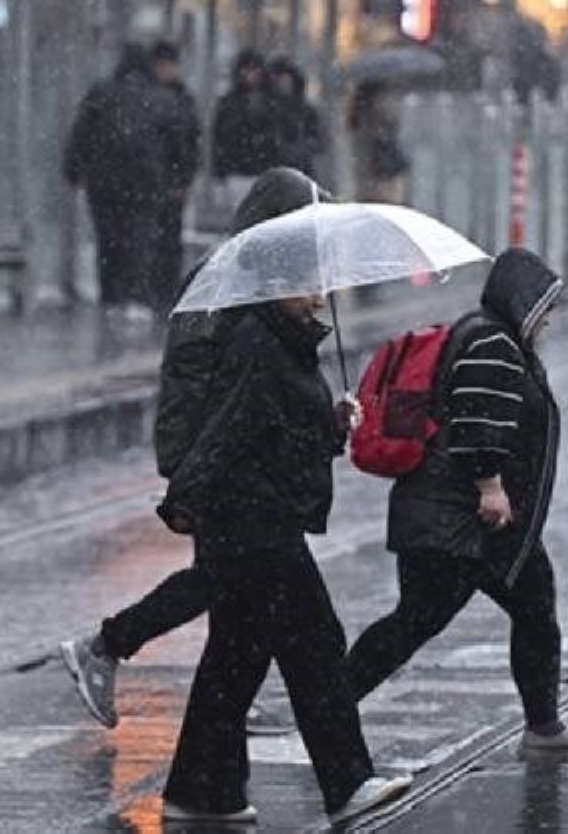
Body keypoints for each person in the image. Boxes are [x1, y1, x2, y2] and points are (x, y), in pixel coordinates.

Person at [150, 231, 411, 825]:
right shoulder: (260, 343)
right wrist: (184, 495)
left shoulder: (287, 342)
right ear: (278, 287)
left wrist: (331, 421)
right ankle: (348, 781)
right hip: (253, 523)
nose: (321, 294)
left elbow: (283, 432)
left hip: (256, 519)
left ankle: (199, 790)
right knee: (316, 646)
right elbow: (232, 427)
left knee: (236, 657)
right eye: (309, 282)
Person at [59, 167, 331, 734]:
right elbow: (199, 380)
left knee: (231, 586)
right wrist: (188, 466)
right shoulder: (229, 282)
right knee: (231, 582)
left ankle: (213, 695)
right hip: (220, 463)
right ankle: (107, 646)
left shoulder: (253, 280)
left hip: (230, 461)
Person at [342, 248, 568, 757]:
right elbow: (478, 422)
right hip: (462, 519)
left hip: (471, 521)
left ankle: (543, 727)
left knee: (527, 607)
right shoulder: (492, 344)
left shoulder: (490, 337)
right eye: (544, 305)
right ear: (523, 301)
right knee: (419, 620)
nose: (548, 318)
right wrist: (490, 486)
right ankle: (330, 707)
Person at [63, 43, 174, 320]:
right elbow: (176, 141)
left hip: (102, 183)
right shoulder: (159, 97)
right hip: (144, 184)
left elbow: (81, 134)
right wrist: (174, 177)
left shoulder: (101, 93)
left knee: (108, 239)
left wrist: (73, 170)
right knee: (138, 239)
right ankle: (135, 297)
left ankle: (110, 296)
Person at [150, 40, 202, 314]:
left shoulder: (180, 99)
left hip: (170, 181)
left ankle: (166, 291)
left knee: (170, 238)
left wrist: (183, 178)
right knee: (157, 238)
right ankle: (158, 291)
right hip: (155, 181)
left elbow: (190, 142)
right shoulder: (163, 98)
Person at [211, 51, 284, 211]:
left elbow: (280, 136)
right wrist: (219, 174)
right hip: (238, 170)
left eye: (255, 70)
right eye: (247, 70)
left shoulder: (273, 102)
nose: (251, 75)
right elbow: (219, 139)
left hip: (265, 170)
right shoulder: (229, 103)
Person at [348, 80, 409, 204]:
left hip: (384, 189)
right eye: (383, 97)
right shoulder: (368, 128)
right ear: (373, 99)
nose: (387, 101)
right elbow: (372, 162)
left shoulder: (384, 124)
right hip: (379, 190)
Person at [267, 56, 326, 178]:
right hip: (273, 170)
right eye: (278, 79)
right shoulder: (268, 109)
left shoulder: (305, 109)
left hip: (302, 170)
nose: (282, 83)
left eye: (285, 79)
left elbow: (319, 139)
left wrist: (299, 149)